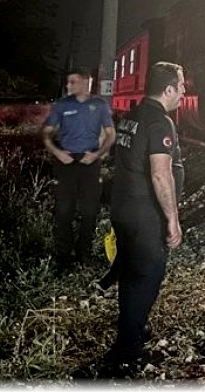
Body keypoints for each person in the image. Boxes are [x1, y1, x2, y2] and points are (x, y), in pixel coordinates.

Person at [106, 61, 185, 369]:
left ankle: (134, 327)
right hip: (144, 215)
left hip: (122, 209)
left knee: (131, 274)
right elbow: (160, 175)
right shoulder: (159, 123)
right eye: (180, 86)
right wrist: (172, 219)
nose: (183, 92)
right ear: (167, 89)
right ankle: (127, 350)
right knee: (147, 277)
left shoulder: (131, 116)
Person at [42, 68, 116, 269]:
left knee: (89, 211)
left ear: (85, 82)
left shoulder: (99, 105)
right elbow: (47, 133)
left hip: (89, 162)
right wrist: (58, 153)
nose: (69, 86)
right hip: (66, 162)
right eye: (68, 82)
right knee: (63, 211)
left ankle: (84, 255)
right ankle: (63, 258)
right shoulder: (62, 105)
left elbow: (111, 134)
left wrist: (97, 154)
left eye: (73, 82)